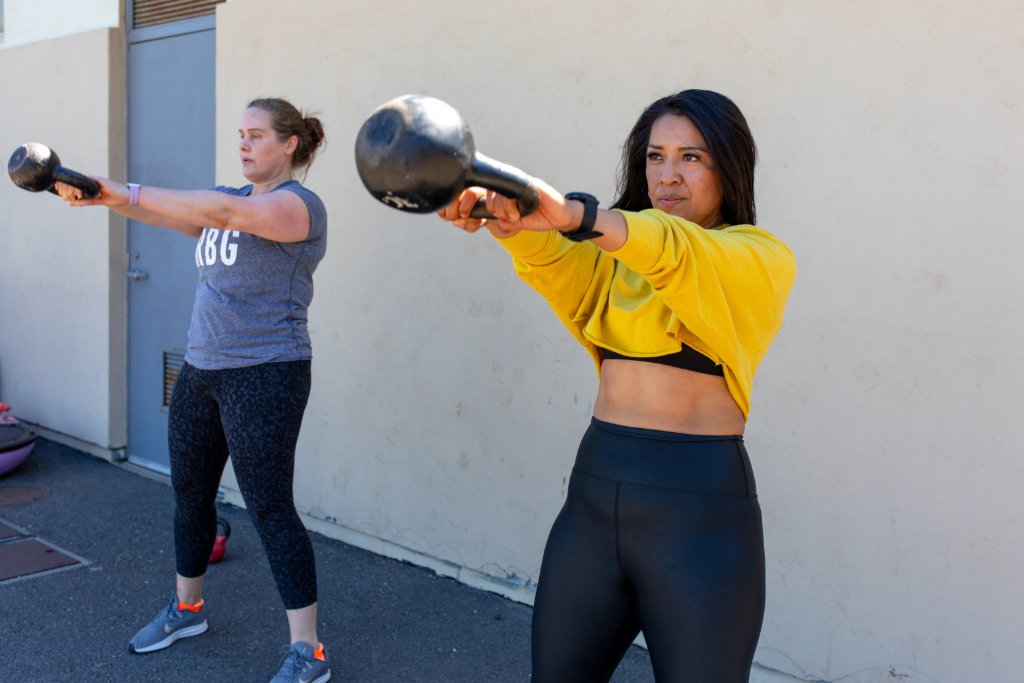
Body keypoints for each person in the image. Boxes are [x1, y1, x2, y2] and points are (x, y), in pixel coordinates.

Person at [438, 89, 796, 682]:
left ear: (729, 166)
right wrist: (510, 219)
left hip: (698, 511)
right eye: (656, 157)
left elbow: (676, 251)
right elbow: (553, 263)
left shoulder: (759, 256)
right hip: (594, 497)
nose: (669, 176)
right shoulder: (614, 260)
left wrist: (576, 216)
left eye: (692, 157)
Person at [56, 97, 331, 683]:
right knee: (190, 496)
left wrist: (123, 188)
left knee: (271, 509)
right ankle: (187, 609)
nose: (244, 143)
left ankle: (308, 651)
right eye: (240, 134)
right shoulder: (227, 199)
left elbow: (222, 215)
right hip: (202, 370)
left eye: (257, 135)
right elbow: (174, 214)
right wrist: (102, 195)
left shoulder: (297, 208)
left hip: (266, 372)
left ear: (289, 144)